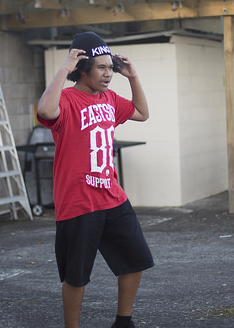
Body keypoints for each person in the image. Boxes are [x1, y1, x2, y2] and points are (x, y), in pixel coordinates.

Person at [36, 31, 154, 328]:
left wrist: (133, 77)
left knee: (136, 259)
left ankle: (123, 322)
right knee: (76, 275)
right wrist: (64, 68)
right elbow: (45, 110)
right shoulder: (66, 99)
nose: (108, 74)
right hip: (78, 202)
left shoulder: (109, 98)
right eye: (101, 67)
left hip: (112, 197)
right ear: (82, 69)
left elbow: (142, 113)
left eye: (111, 67)